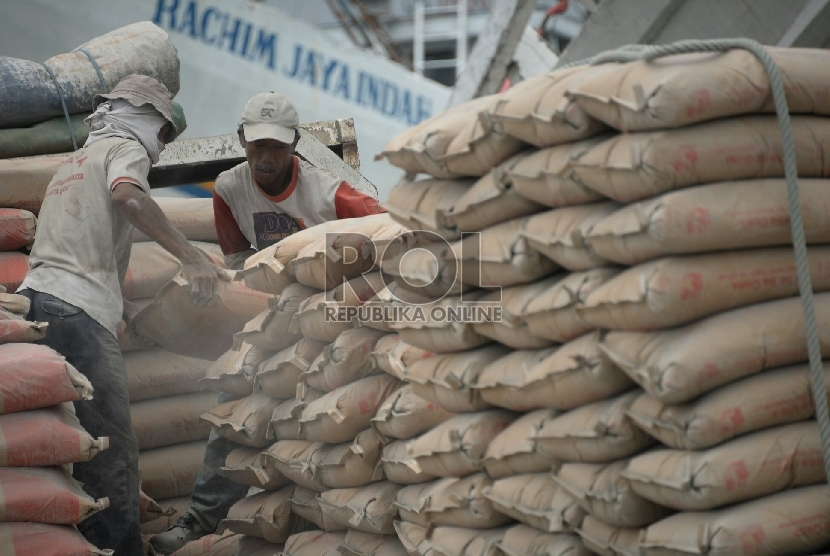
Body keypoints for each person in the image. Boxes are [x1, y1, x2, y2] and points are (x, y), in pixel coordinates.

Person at [150, 92, 383, 554]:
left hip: (336, 319)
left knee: (341, 421)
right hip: (274, 321)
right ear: (242, 140)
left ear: (295, 144)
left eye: (277, 147)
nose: (267, 157)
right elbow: (238, 263)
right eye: (258, 146)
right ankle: (201, 519)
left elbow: (388, 233)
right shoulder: (230, 190)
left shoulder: (329, 193)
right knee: (231, 409)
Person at [18, 74, 229, 556]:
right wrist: (192, 258)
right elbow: (129, 197)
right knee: (111, 448)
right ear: (145, 118)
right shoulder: (125, 147)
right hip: (76, 315)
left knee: (77, 445)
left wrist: (126, 307)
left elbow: (70, 252)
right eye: (163, 132)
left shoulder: (73, 164)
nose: (161, 144)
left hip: (40, 306)